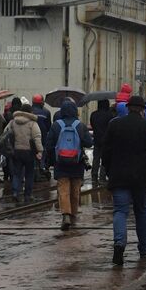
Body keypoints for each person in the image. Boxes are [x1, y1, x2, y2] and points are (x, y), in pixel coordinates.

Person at [101, 94, 146, 265]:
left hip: (119, 175)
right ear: (142, 109)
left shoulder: (115, 125)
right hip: (141, 177)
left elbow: (106, 150)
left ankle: (119, 244)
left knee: (120, 211)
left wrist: (109, 169)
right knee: (141, 211)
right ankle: (145, 249)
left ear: (127, 108)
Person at [45, 98, 93, 230]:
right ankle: (73, 215)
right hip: (77, 163)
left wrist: (50, 160)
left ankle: (65, 214)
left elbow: (48, 145)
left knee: (63, 189)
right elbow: (89, 143)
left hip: (60, 163)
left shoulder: (56, 125)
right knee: (75, 190)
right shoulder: (80, 125)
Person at [0, 99, 44, 201]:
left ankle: (15, 192)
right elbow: (37, 137)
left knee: (17, 173)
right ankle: (28, 194)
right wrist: (40, 151)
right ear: (30, 112)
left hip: (16, 151)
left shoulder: (13, 122)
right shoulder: (32, 123)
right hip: (29, 152)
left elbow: (5, 134)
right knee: (29, 173)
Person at [89, 98, 115, 184]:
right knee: (104, 158)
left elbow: (92, 125)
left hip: (96, 139)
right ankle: (102, 177)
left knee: (96, 158)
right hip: (106, 140)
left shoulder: (93, 114)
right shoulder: (110, 115)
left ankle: (94, 175)